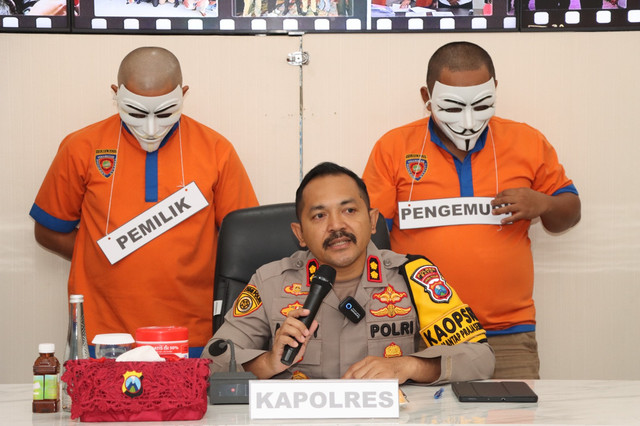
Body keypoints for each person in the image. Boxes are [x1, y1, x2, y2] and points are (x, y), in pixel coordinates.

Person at [362, 41, 581, 379]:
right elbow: (369, 235)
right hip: (420, 333)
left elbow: (571, 211)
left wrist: (543, 203)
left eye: (481, 105)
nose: (467, 122)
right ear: (427, 96)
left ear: (494, 90)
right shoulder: (394, 147)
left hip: (507, 333)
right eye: (452, 108)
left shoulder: (526, 141)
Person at [30, 47, 259, 358]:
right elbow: (48, 231)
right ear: (116, 94)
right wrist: (101, 257)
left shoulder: (217, 150)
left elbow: (244, 243)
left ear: (184, 94)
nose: (150, 128)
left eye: (165, 113)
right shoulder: (80, 147)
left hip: (191, 332)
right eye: (136, 113)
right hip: (102, 333)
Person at [203, 162, 494, 383]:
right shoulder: (270, 282)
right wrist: (268, 362)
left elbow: (480, 358)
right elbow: (212, 359)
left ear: (373, 220)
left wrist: (409, 366)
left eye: (349, 211)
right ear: (299, 233)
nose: (336, 226)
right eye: (319, 215)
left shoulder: (413, 276)